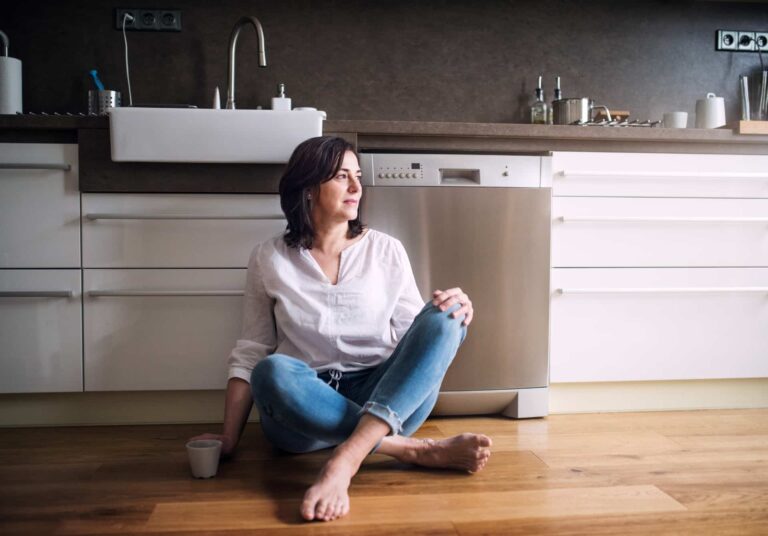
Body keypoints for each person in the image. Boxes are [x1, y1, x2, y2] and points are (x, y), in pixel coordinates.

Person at [191, 136, 492, 522]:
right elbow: (252, 349)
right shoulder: (269, 257)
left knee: (446, 314)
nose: (355, 188)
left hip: (384, 397)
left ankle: (344, 461)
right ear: (308, 189)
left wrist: (449, 315)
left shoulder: (386, 250)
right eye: (340, 176)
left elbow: (411, 337)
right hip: (301, 409)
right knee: (272, 370)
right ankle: (410, 450)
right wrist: (229, 437)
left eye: (358, 176)